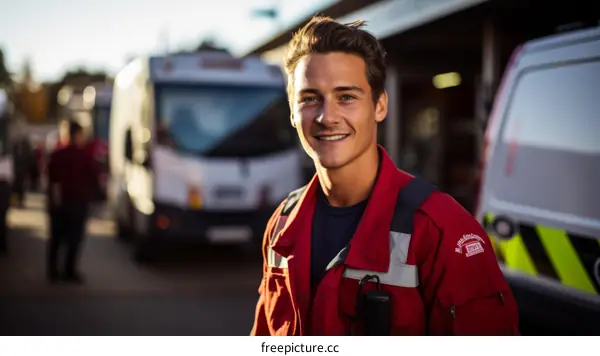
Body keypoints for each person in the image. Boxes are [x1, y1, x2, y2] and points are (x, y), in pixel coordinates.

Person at [250, 17, 519, 336]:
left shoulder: (443, 232)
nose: (326, 116)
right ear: (293, 113)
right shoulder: (282, 224)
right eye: (309, 99)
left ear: (379, 106)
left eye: (346, 97)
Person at [46, 121, 100, 284]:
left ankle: (53, 271)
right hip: (78, 203)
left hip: (59, 204)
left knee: (56, 239)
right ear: (78, 135)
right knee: (74, 239)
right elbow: (94, 177)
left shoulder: (57, 155)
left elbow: (50, 179)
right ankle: (69, 271)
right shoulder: (84, 155)